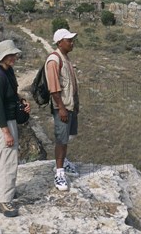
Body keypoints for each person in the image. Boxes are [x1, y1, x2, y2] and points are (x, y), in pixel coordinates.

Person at [0, 39, 31, 217]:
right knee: (8, 160)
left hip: (7, 120)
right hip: (2, 122)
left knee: (1, 156)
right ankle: (5, 202)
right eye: (12, 55)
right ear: (4, 56)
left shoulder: (7, 72)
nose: (15, 57)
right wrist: (6, 132)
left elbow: (11, 94)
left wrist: (21, 101)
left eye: (15, 54)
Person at [45, 28, 79, 191]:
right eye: (69, 40)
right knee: (61, 139)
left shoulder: (65, 58)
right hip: (63, 107)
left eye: (72, 40)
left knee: (66, 137)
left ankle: (63, 162)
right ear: (59, 42)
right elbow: (54, 88)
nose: (72, 43)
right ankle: (59, 173)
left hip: (69, 105)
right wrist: (61, 108)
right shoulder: (54, 60)